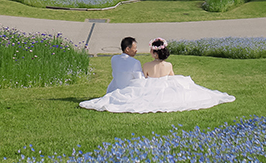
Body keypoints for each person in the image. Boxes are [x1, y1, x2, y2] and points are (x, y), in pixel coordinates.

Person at [80, 37, 235, 113]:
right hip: (166, 85)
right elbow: (172, 78)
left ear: (154, 53)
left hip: (151, 86)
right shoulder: (169, 65)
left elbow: (144, 80)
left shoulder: (145, 65)